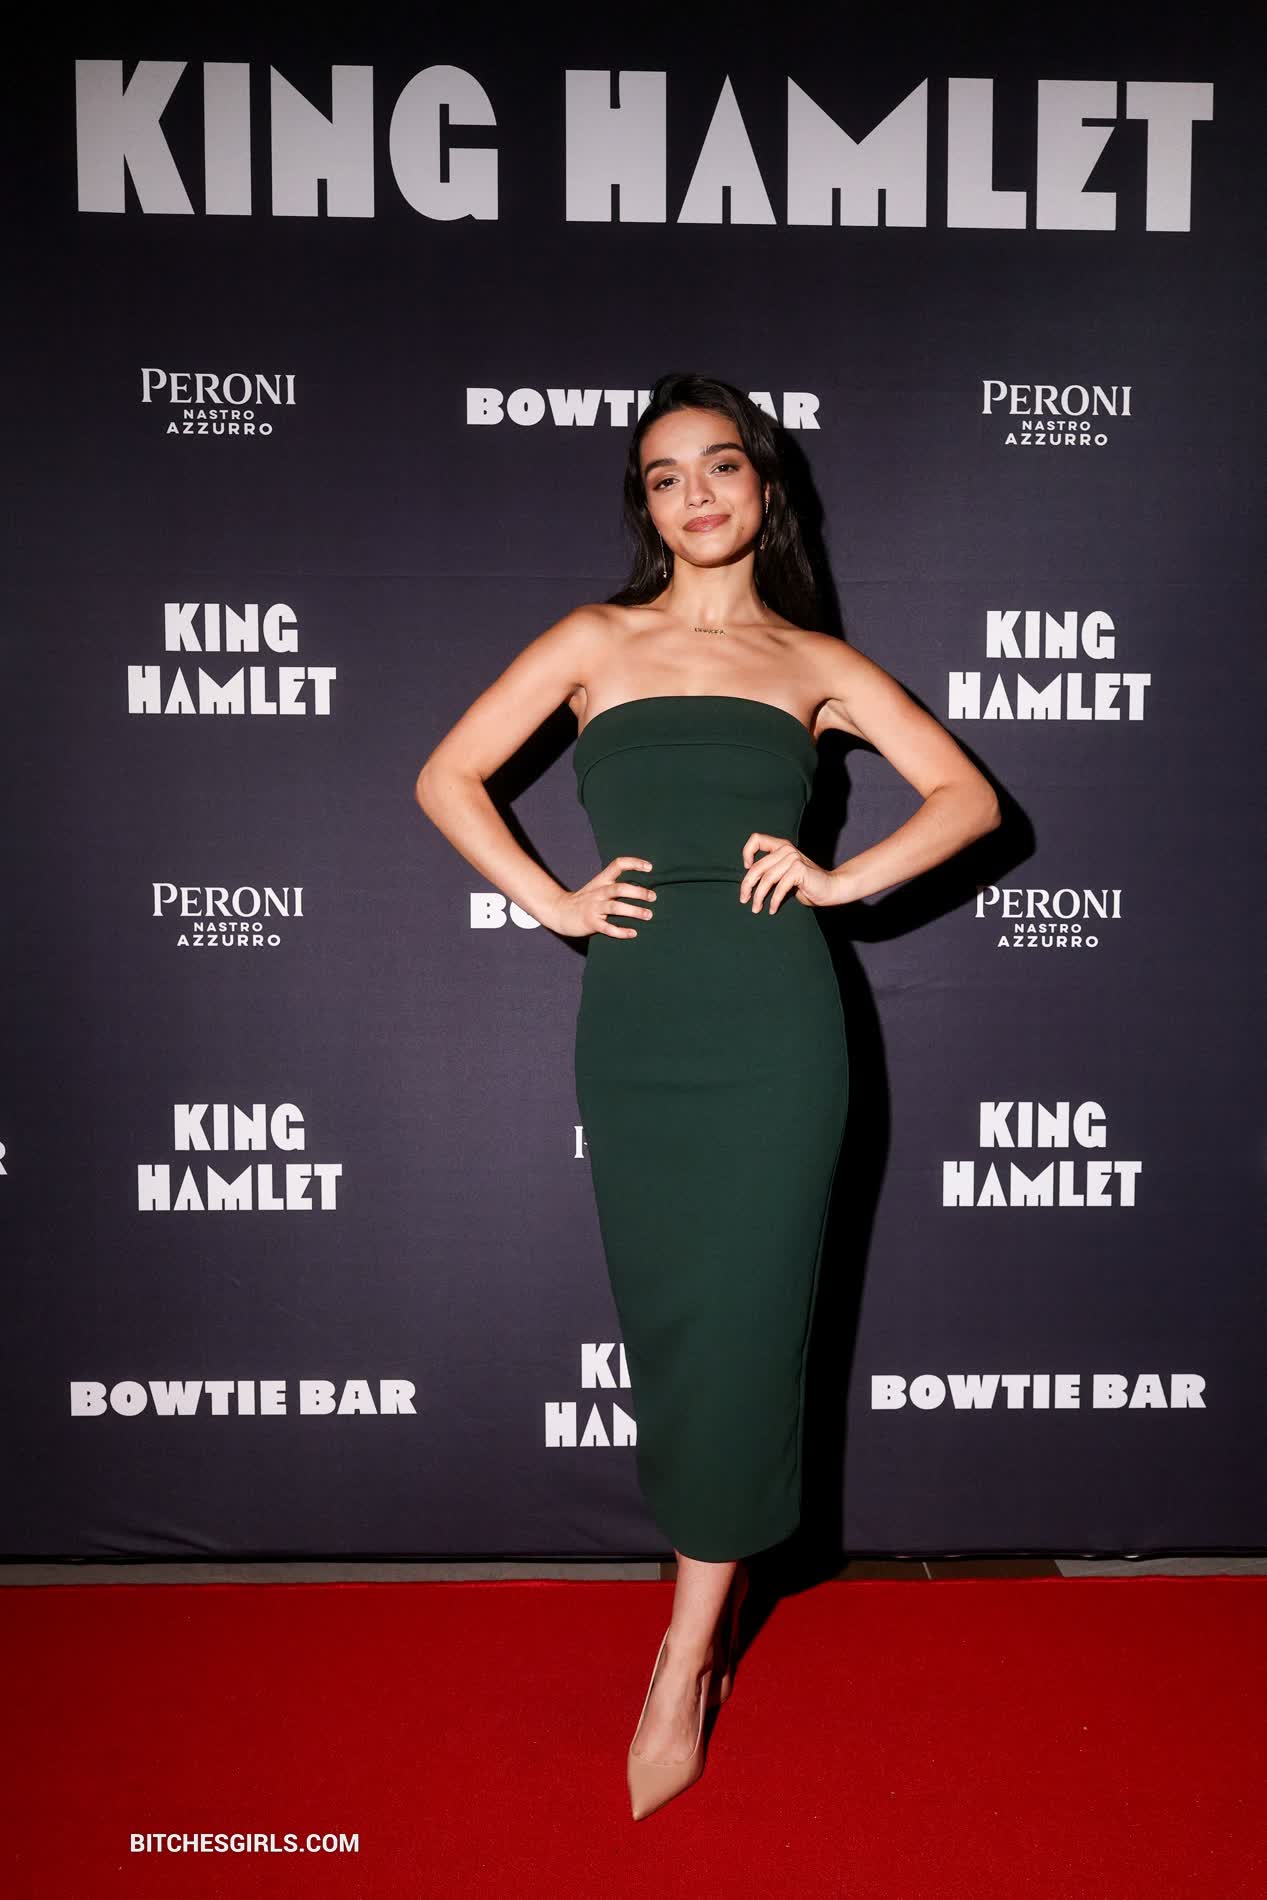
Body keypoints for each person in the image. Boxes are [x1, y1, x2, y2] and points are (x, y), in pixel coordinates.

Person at [415, 371, 1001, 1819]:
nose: (696, 493)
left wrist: (842, 882)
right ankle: (710, 1604)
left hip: (778, 1027)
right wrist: (555, 901)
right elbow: (449, 777)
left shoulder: (813, 660)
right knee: (677, 1326)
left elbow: (971, 800)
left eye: (720, 465)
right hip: (639, 1028)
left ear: (763, 487)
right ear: (646, 505)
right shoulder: (595, 640)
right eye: (665, 475)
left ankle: (683, 1654)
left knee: (750, 1318)